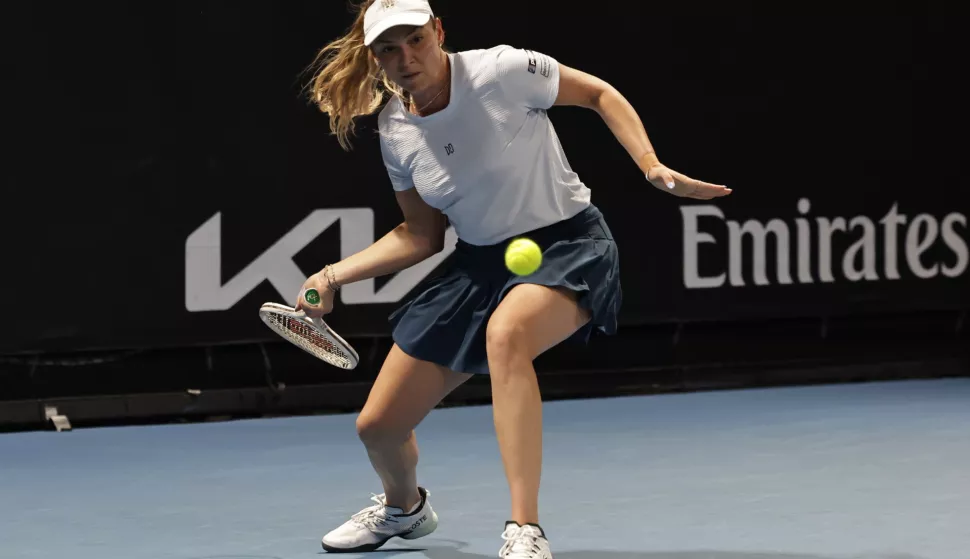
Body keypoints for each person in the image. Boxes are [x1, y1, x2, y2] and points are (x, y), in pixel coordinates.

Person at [296, 1, 731, 557]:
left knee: (507, 337)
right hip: (479, 265)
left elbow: (599, 93)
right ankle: (404, 509)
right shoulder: (395, 129)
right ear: (375, 57)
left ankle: (525, 529)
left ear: (438, 32)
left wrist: (650, 164)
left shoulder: (501, 71)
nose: (406, 58)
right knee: (377, 427)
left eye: (415, 41)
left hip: (568, 244)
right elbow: (421, 236)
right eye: (389, 48)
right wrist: (333, 275)